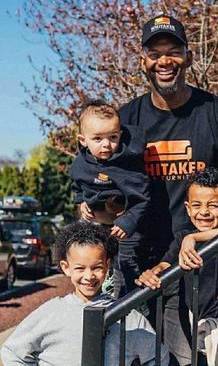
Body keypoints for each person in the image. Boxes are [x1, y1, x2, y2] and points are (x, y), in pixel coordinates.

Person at [116, 14, 218, 364]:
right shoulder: (125, 121)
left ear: (188, 57)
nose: (164, 60)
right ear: (143, 60)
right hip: (141, 268)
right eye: (155, 53)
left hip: (202, 267)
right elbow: (106, 195)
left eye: (173, 51)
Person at [1, 221, 169, 366]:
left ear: (107, 265)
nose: (89, 276)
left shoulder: (128, 317)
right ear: (66, 268)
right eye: (80, 268)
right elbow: (13, 352)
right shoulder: (50, 313)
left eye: (97, 267)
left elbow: (157, 356)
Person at [136, 167, 218, 366]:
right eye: (196, 205)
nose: (204, 212)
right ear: (188, 208)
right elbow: (164, 266)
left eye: (213, 205)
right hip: (197, 327)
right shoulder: (181, 238)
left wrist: (194, 237)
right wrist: (151, 274)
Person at [70, 100, 150, 296]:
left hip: (125, 229)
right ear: (83, 140)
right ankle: (104, 295)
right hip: (98, 224)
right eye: (97, 139)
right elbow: (78, 186)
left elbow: (143, 198)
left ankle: (130, 301)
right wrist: (81, 203)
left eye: (112, 137)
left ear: (120, 135)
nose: (106, 144)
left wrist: (128, 222)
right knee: (94, 260)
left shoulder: (127, 166)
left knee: (126, 264)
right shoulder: (80, 164)